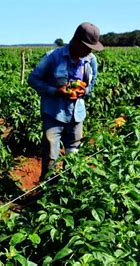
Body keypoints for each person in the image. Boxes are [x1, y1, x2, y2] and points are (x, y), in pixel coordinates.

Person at [28, 22, 103, 179]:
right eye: (87, 46)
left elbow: (93, 83)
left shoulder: (91, 60)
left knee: (73, 154)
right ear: (76, 41)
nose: (90, 50)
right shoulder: (53, 57)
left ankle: (68, 187)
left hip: (77, 115)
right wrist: (55, 91)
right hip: (54, 113)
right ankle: (47, 190)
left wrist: (85, 90)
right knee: (51, 155)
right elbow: (33, 79)